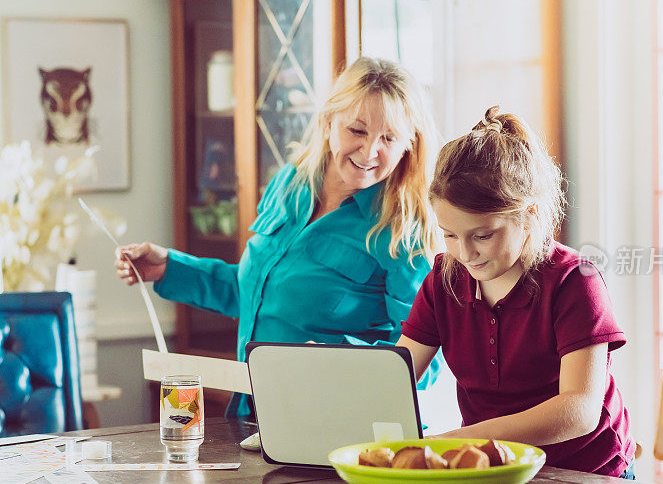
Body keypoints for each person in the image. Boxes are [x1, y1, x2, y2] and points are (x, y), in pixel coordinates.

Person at [115, 57, 443, 418]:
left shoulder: (402, 230)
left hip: (334, 422)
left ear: (408, 145)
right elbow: (257, 296)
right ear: (328, 121)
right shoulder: (290, 183)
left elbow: (424, 359)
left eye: (389, 138)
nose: (370, 152)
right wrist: (169, 269)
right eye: (358, 131)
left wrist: (338, 360)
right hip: (253, 412)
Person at [396, 106, 635, 478]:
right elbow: (399, 374)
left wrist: (463, 440)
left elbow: (580, 410)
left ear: (529, 216)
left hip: (584, 474)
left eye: (483, 235)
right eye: (450, 235)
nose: (465, 253)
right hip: (495, 472)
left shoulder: (576, 281)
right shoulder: (444, 278)